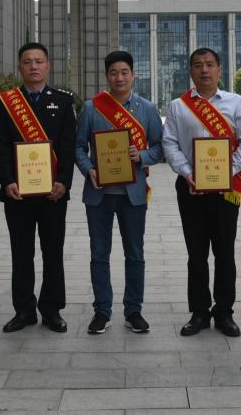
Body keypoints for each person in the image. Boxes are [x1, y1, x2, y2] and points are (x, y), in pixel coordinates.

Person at [162, 47, 241, 337]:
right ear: (191, 71)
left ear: (219, 69)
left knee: (225, 252)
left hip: (226, 188)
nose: (204, 70)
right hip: (191, 187)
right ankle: (199, 312)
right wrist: (188, 173)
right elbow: (169, 143)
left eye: (210, 64)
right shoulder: (178, 106)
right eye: (198, 65)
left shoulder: (235, 102)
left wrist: (228, 172)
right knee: (197, 253)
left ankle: (225, 312)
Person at [75, 51, 164, 335]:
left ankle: (133, 311)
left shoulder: (147, 109)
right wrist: (88, 168)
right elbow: (78, 146)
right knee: (99, 254)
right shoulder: (92, 108)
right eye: (114, 72)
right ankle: (102, 311)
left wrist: (142, 156)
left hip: (133, 193)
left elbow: (160, 147)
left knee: (134, 254)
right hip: (99, 192)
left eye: (124, 72)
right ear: (107, 76)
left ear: (133, 75)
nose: (119, 77)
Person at [0, 43, 77, 333]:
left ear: (48, 66)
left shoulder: (63, 100)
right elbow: (1, 144)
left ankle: (52, 309)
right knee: (21, 253)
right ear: (20, 67)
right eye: (27, 61)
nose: (33, 66)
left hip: (53, 192)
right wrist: (8, 180)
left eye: (39, 61)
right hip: (18, 192)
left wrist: (63, 181)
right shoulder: (6, 102)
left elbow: (68, 145)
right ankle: (24, 310)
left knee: (53, 252)